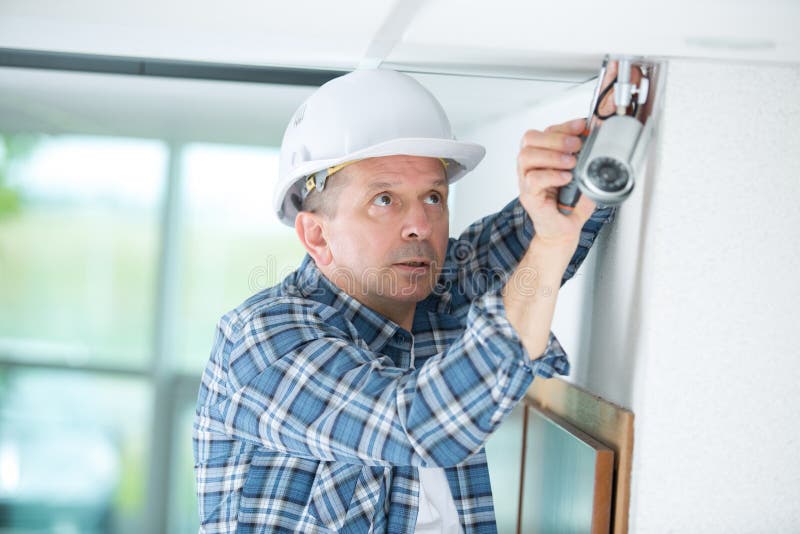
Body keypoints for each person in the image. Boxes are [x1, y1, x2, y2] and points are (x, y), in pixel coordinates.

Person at [193, 68, 614, 533]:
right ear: (317, 234)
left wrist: (599, 140)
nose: (420, 224)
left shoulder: (437, 292)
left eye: (433, 197)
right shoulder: (262, 343)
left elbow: (544, 226)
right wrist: (550, 246)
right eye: (385, 199)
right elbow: (420, 425)